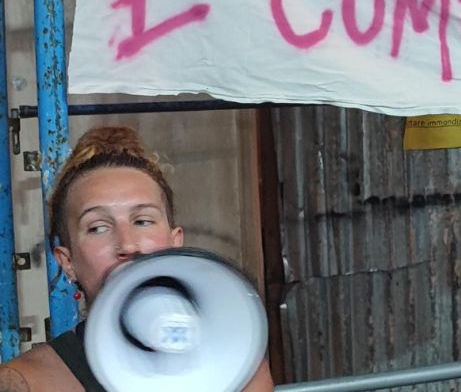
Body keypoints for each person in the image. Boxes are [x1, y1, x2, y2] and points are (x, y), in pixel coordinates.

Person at [0, 126, 274, 391]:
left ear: (175, 241)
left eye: (143, 221)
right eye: (98, 227)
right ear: (66, 261)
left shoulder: (236, 367)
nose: (128, 244)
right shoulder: (27, 382)